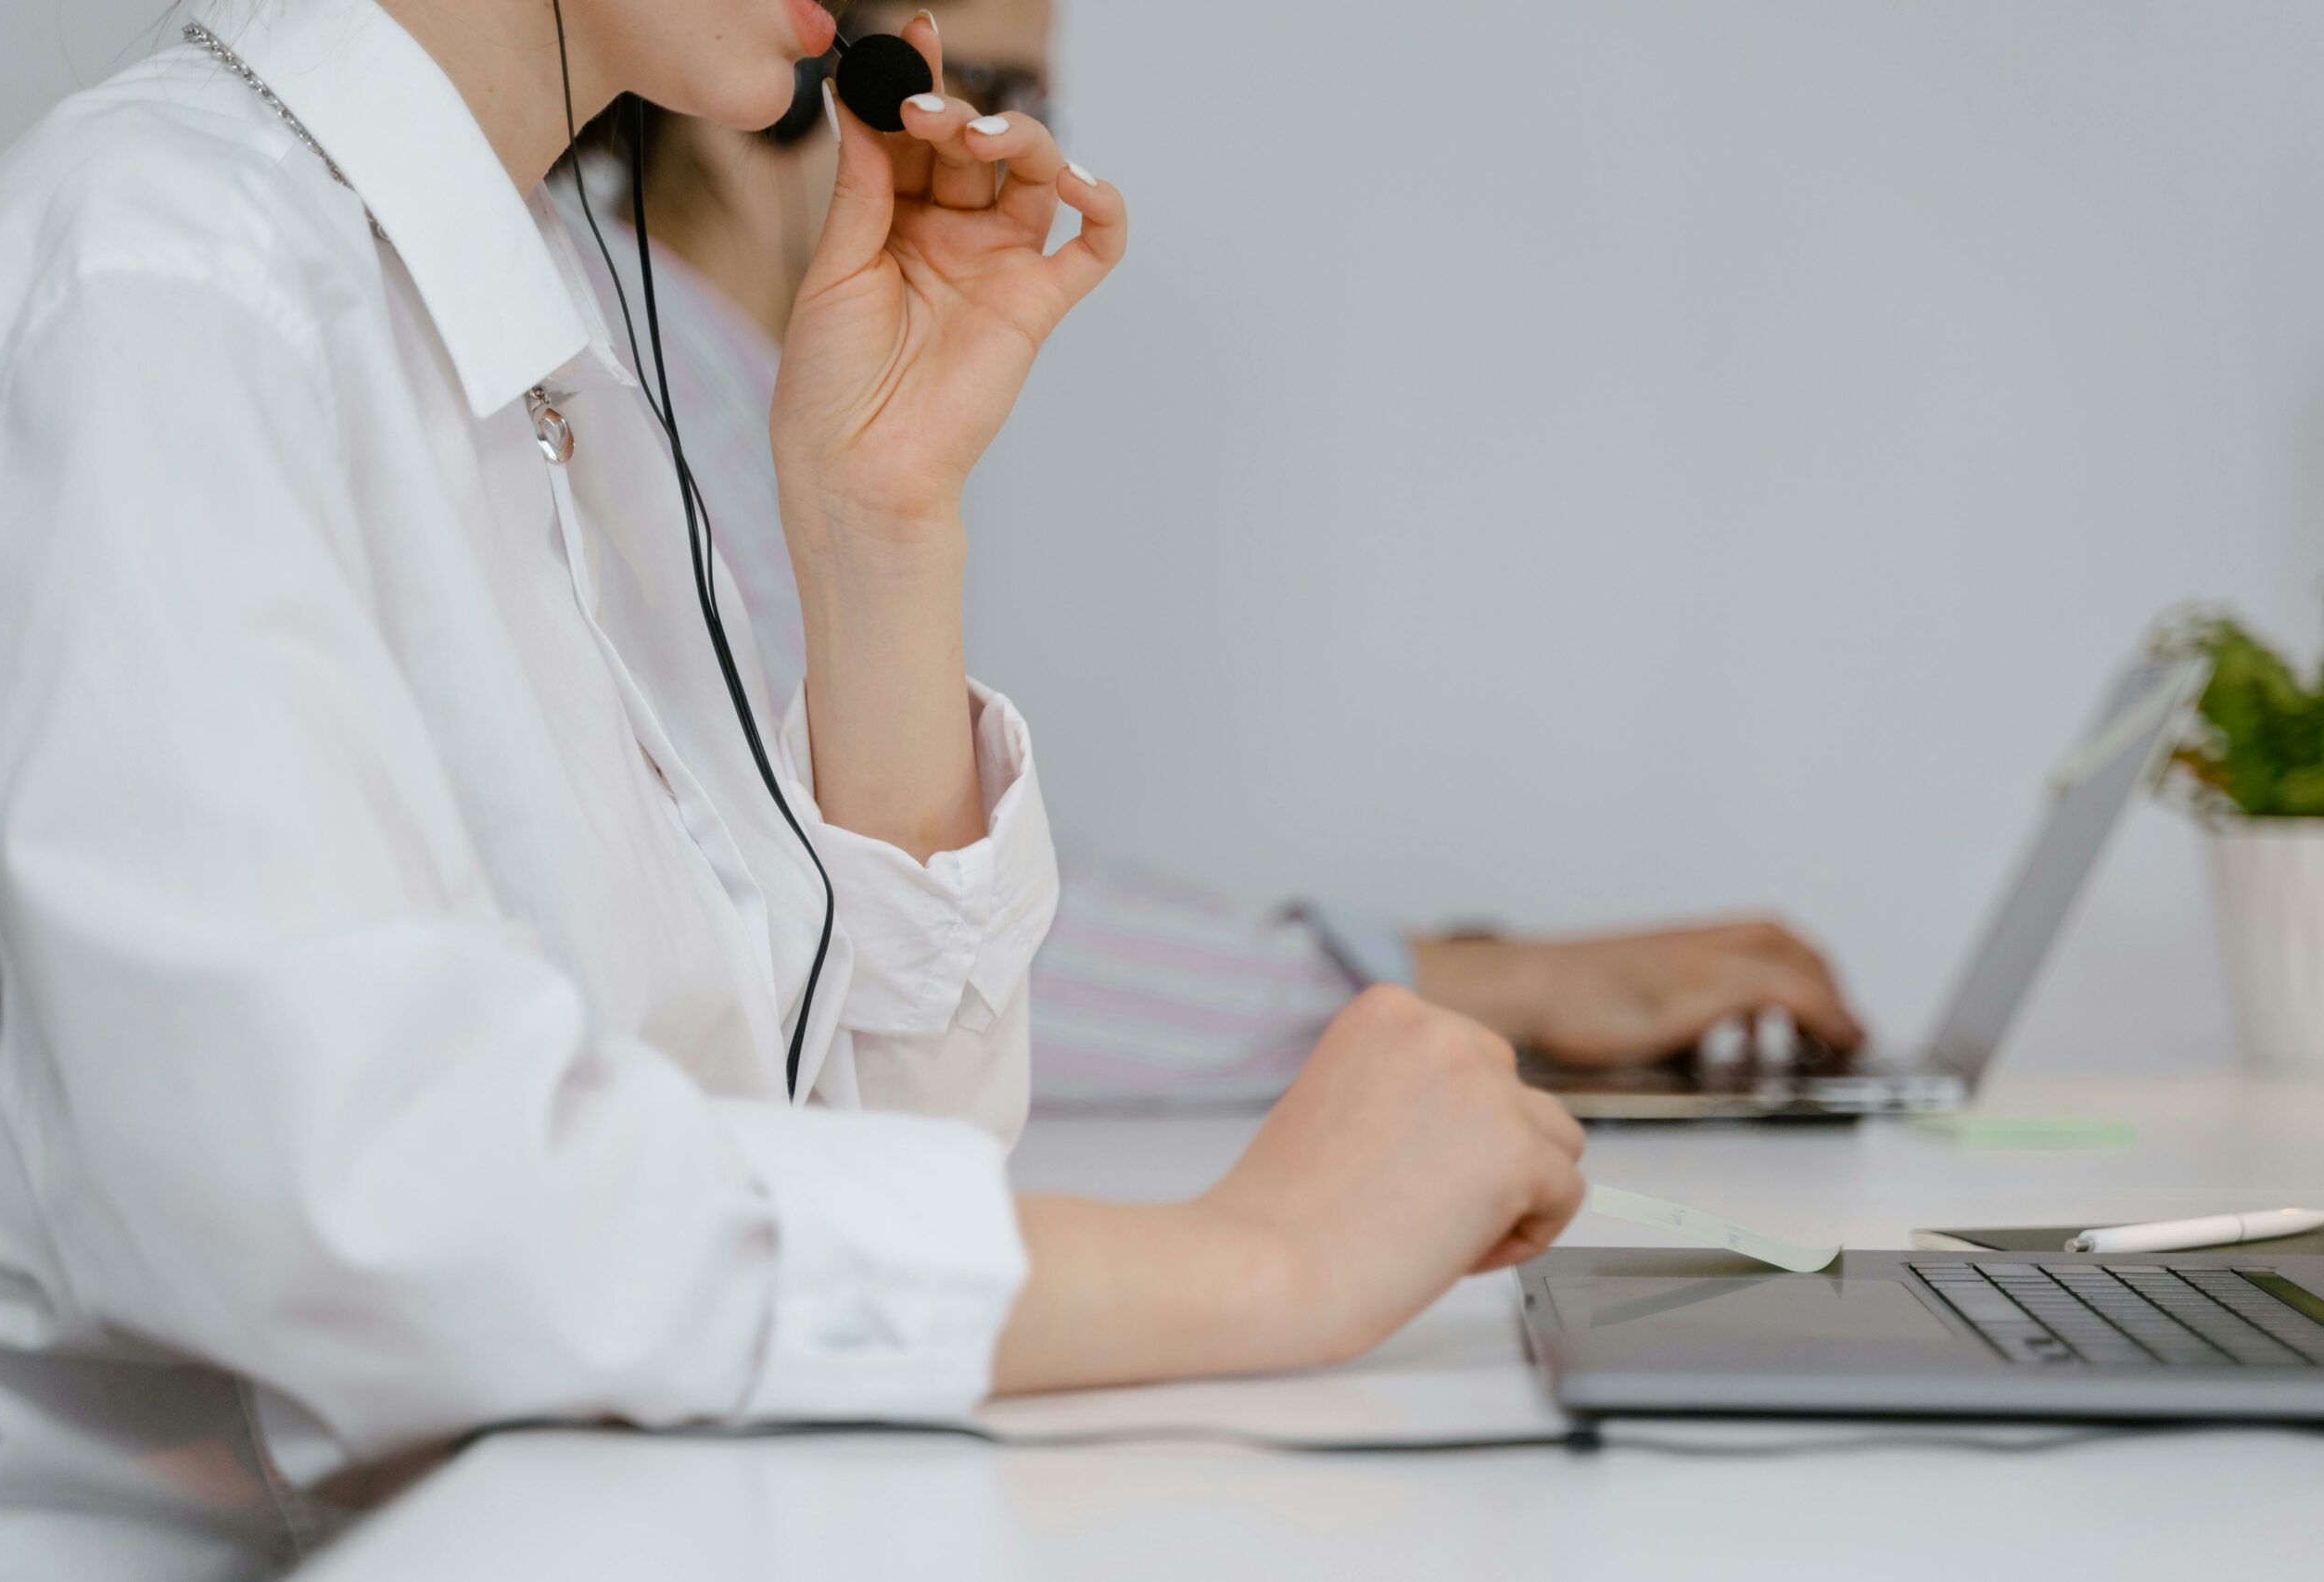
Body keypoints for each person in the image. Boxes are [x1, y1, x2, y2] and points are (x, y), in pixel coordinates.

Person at [0, 2, 1587, 1576]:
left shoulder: (549, 333)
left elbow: (847, 1151)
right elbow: (375, 1220)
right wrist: (1260, 1263)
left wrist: (874, 535)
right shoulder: (162, 281)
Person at [588, 0, 1871, 1107]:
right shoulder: (634, 405)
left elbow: (915, 916)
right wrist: (1472, 985)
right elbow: (844, 936)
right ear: (796, 83)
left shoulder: (758, 402)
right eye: (978, 84)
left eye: (1034, 96)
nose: (1003, 139)